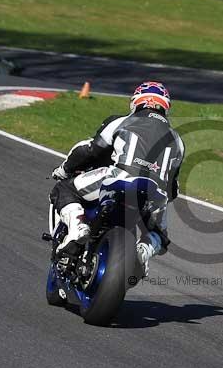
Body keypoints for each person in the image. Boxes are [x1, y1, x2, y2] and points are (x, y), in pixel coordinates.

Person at [49, 81, 184, 276]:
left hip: (118, 177)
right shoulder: (178, 141)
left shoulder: (122, 121)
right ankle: (142, 253)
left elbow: (90, 150)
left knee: (64, 189)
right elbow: (173, 189)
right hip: (155, 193)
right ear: (165, 107)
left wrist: (64, 169)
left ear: (136, 102)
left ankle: (78, 227)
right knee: (160, 236)